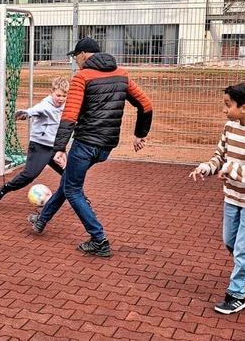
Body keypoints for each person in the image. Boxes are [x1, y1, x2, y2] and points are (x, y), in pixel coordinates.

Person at [28, 37, 153, 258]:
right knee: (68, 182)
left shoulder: (82, 77)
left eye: (75, 56)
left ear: (84, 54)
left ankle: (99, 239)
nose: (75, 61)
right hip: (106, 146)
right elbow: (145, 104)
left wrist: (59, 148)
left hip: (85, 143)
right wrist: (140, 134)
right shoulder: (121, 74)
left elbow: (69, 116)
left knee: (73, 190)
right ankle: (41, 220)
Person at [189, 83, 245, 315]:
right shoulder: (230, 127)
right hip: (233, 196)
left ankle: (236, 295)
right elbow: (220, 157)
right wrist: (206, 168)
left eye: (227, 105)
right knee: (231, 242)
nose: (224, 110)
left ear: (244, 107)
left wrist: (231, 169)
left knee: (242, 250)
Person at [0, 77, 69, 201]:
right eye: (58, 95)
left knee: (71, 175)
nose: (61, 99)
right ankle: (6, 188)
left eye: (64, 96)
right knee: (29, 175)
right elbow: (34, 110)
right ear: (51, 92)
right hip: (40, 147)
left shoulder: (66, 106)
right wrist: (25, 113)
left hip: (57, 148)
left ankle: (82, 199)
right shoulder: (45, 105)